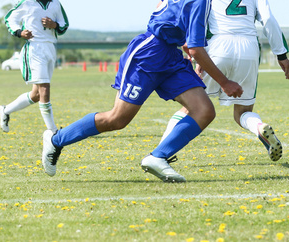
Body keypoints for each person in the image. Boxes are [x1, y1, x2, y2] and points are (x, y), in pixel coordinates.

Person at [40, 0, 243, 182]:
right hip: (149, 53)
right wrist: (224, 82)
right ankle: (56, 140)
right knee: (117, 119)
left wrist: (184, 45)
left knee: (204, 110)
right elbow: (195, 47)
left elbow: (177, 25)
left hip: (171, 56)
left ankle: (158, 157)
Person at [159, 0, 289, 162]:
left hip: (218, 46)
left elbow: (201, 20)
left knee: (190, 107)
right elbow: (269, 19)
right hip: (249, 48)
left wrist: (199, 58)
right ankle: (258, 126)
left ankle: (160, 153)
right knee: (242, 112)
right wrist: (281, 54)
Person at [0, 0, 69, 133]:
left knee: (36, 95)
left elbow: (64, 25)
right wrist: (19, 32)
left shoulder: (56, 4)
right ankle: (53, 131)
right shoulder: (26, 2)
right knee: (45, 89)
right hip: (34, 48)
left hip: (50, 48)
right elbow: (10, 19)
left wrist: (54, 25)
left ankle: (5, 110)